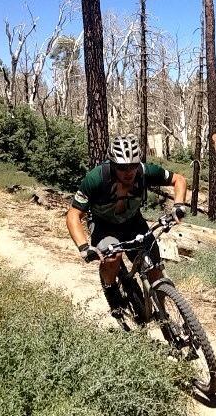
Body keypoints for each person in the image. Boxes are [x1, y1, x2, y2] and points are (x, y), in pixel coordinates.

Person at [66, 134, 187, 317]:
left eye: (133, 165)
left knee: (155, 268)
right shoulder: (96, 178)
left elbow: (179, 179)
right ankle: (110, 288)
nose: (129, 171)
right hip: (103, 225)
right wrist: (84, 247)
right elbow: (74, 214)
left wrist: (178, 205)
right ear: (113, 164)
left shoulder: (145, 171)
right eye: (123, 167)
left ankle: (163, 315)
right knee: (113, 257)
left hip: (133, 223)